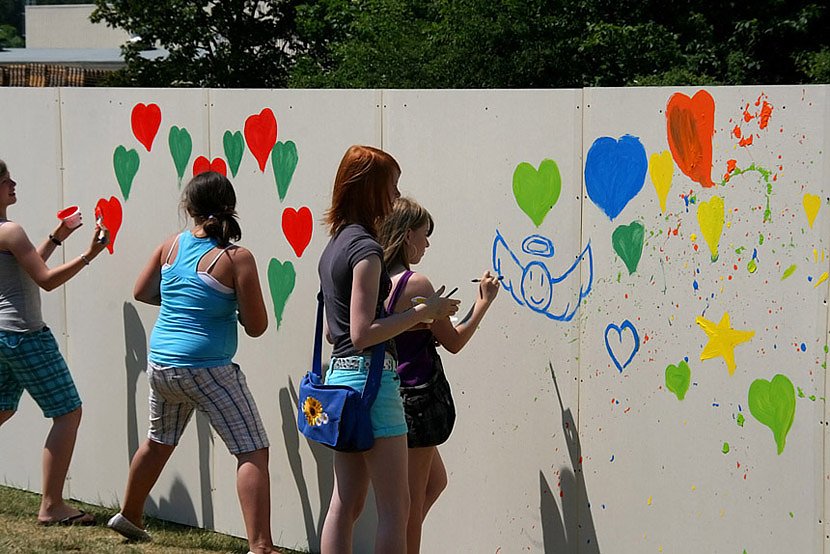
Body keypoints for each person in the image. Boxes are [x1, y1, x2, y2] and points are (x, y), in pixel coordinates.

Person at [106, 171, 273, 554]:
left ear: (189, 207)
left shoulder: (171, 246)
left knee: (158, 442)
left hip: (163, 364)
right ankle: (261, 546)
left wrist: (184, 304)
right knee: (251, 450)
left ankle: (129, 515)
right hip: (207, 368)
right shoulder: (236, 258)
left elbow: (142, 291)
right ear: (230, 207)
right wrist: (224, 309)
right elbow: (257, 327)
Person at [318, 146, 460, 554]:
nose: (396, 195)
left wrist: (409, 319)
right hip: (373, 383)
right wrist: (424, 313)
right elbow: (363, 333)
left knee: (344, 503)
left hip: (340, 377)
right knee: (396, 508)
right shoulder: (366, 249)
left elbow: (335, 333)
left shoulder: (335, 245)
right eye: (392, 185)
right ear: (370, 187)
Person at [378, 196, 500, 553]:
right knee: (410, 505)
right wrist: (483, 302)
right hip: (417, 400)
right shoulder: (416, 284)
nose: (427, 243)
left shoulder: (378, 280)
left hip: (392, 395)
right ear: (407, 236)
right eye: (424, 234)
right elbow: (454, 341)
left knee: (435, 482)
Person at [0, 158, 109, 526]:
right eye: (6, 180)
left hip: (3, 337)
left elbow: (27, 269)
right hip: (25, 336)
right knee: (68, 412)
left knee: (2, 409)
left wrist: (58, 236)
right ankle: (51, 506)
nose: (13, 184)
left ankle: (52, 503)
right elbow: (45, 280)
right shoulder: (10, 231)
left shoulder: (7, 234)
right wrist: (89, 255)